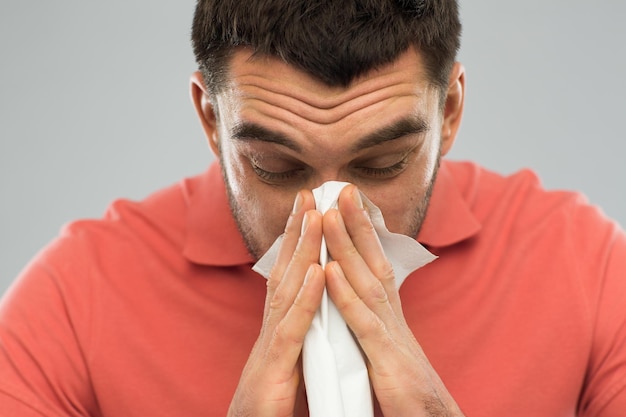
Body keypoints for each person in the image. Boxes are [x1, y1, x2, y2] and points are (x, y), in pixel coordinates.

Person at [1, 0, 625, 416]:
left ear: (451, 113)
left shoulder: (586, 268)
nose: (331, 212)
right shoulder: (79, 295)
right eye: (276, 166)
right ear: (212, 119)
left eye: (383, 164)